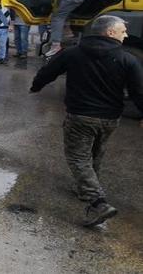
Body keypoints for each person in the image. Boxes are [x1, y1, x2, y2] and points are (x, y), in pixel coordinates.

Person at [30, 15, 143, 227]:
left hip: (81, 117)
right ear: (110, 33)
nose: (126, 35)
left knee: (79, 158)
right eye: (123, 31)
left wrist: (36, 86)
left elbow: (48, 71)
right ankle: (85, 190)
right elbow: (139, 91)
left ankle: (98, 203)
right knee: (94, 154)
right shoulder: (128, 59)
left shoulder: (73, 53)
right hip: (110, 119)